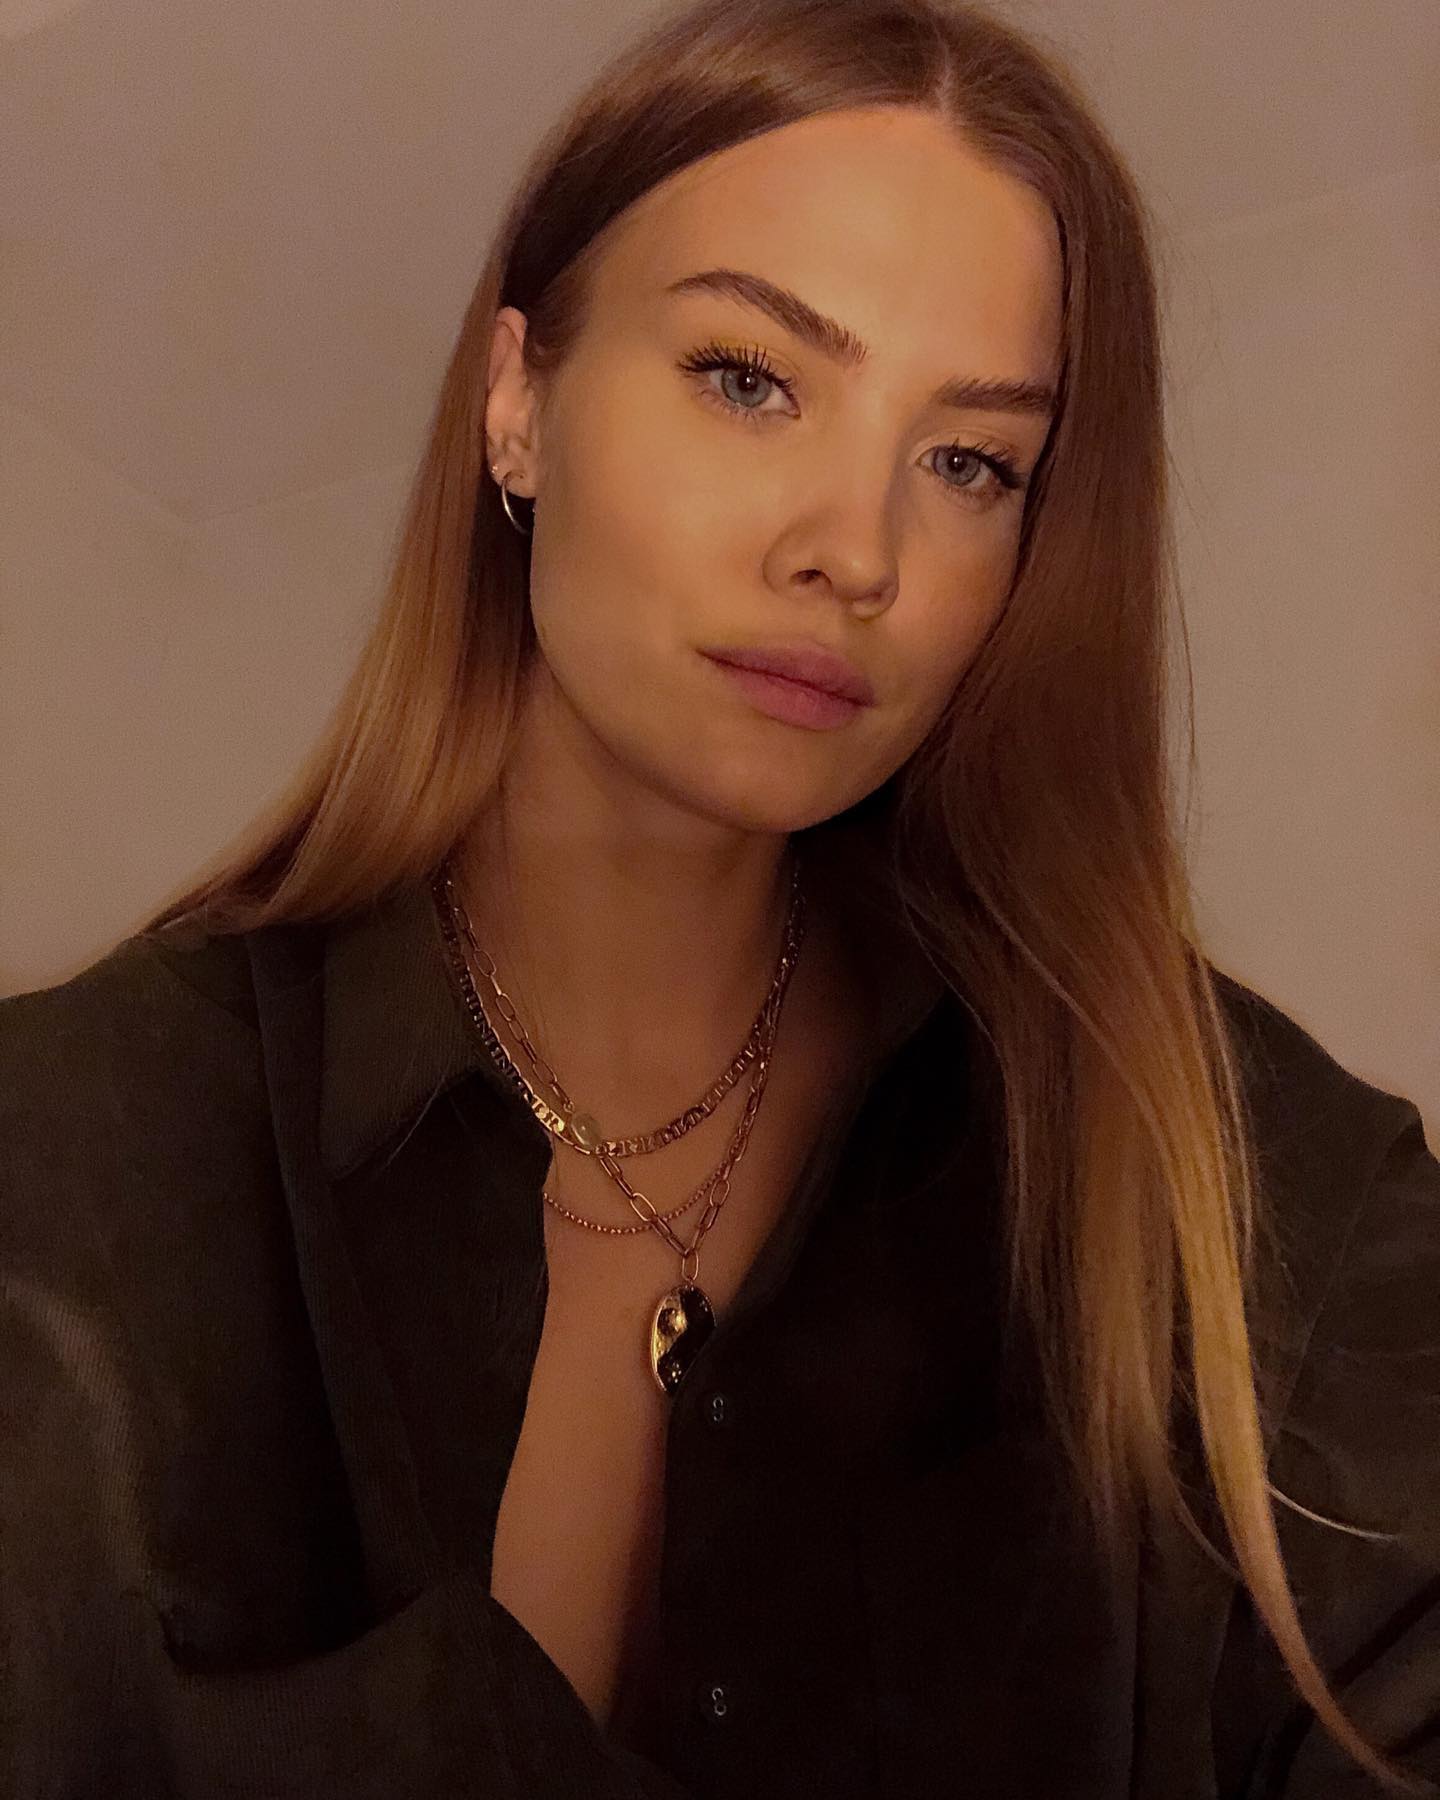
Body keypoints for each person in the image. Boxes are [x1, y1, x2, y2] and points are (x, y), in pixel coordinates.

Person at [2, 0, 1436, 1795]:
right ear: (519, 406)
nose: (856, 551)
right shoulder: (72, 1170)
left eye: (971, 462)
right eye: (750, 378)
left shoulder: (1229, 1182)